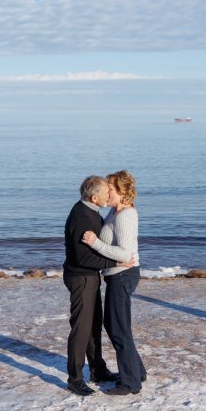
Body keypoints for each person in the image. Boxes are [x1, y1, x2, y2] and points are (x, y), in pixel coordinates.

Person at [62, 175, 133, 396]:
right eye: (106, 193)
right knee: (81, 329)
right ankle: (74, 379)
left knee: (94, 326)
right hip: (81, 277)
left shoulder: (89, 211)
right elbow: (83, 258)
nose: (109, 195)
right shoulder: (83, 217)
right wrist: (115, 261)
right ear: (94, 197)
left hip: (89, 277)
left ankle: (97, 370)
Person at [82, 170, 146, 395]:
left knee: (117, 327)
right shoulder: (114, 212)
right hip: (116, 275)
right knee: (116, 325)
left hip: (122, 275)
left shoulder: (125, 216)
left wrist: (94, 243)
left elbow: (124, 253)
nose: (105, 191)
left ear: (120, 192)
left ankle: (131, 383)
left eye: (110, 188)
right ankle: (137, 371)